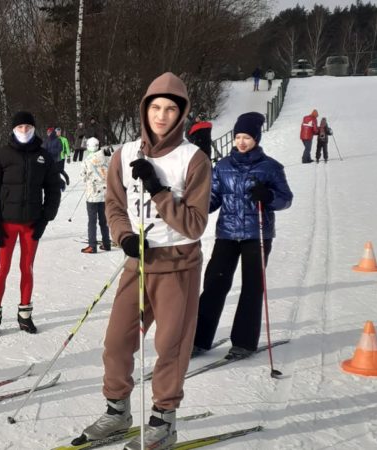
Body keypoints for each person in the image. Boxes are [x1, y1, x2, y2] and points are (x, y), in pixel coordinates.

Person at [79, 72, 211, 449]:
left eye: (171, 108)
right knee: (116, 344)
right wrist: (123, 236)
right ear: (144, 109)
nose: (162, 115)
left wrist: (158, 189)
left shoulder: (193, 159)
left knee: (170, 346)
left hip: (178, 266)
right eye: (156, 106)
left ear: (181, 114)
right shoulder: (124, 154)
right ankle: (117, 411)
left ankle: (163, 420)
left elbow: (195, 224)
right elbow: (114, 204)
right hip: (138, 265)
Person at [193, 112, 293, 359]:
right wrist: (194, 207)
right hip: (227, 233)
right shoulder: (223, 166)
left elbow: (286, 199)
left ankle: (244, 342)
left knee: (252, 286)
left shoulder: (270, 167)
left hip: (256, 234)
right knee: (214, 284)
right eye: (238, 136)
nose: (241, 142)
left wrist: (269, 197)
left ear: (256, 138)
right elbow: (214, 199)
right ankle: (198, 339)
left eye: (246, 137)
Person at [0, 111, 62, 337]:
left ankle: (24, 314)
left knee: (27, 268)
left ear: (34, 129)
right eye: (19, 127)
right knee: (2, 269)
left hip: (31, 224)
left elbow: (54, 189)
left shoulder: (44, 156)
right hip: (5, 224)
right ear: (13, 130)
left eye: (28, 127)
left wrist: (46, 217)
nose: (24, 131)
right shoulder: (1, 155)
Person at [79, 137, 111, 254]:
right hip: (104, 194)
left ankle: (92, 245)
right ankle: (106, 243)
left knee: (92, 221)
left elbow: (82, 177)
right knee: (104, 221)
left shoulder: (87, 160)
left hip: (92, 195)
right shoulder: (107, 158)